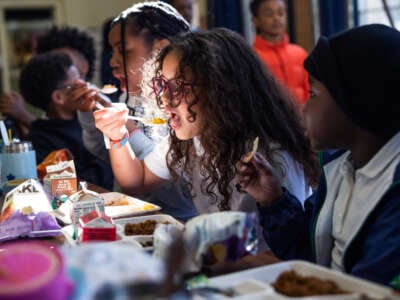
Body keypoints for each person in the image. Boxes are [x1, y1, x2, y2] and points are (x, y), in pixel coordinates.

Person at [236, 24, 400, 287]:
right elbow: (310, 253)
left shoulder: (393, 189)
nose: (304, 107)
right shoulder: (340, 167)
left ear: (355, 103)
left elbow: (367, 288)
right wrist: (274, 200)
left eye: (313, 94)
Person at [93, 28, 319, 218]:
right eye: (163, 84)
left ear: (222, 90)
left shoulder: (271, 158)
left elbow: (285, 250)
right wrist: (117, 135)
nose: (164, 98)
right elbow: (138, 182)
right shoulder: (193, 138)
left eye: (179, 86)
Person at [74, 1, 198, 220]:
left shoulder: (186, 108)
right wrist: (93, 114)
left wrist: (130, 132)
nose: (112, 62)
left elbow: (179, 192)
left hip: (179, 222)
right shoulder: (132, 98)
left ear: (160, 50)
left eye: (123, 51)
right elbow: (106, 155)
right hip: (133, 217)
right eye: (111, 52)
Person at [19, 52, 113, 190]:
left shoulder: (86, 120)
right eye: (77, 84)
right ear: (59, 97)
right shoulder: (41, 142)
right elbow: (73, 187)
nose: (86, 85)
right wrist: (109, 154)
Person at [0, 26, 96, 138]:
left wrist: (23, 116)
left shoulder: (93, 111)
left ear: (84, 69)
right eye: (57, 61)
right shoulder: (50, 119)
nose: (61, 64)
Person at [250, 0, 309, 104]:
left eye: (281, 13)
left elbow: (310, 90)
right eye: (269, 14)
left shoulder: (300, 53)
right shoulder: (252, 57)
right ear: (255, 20)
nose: (276, 18)